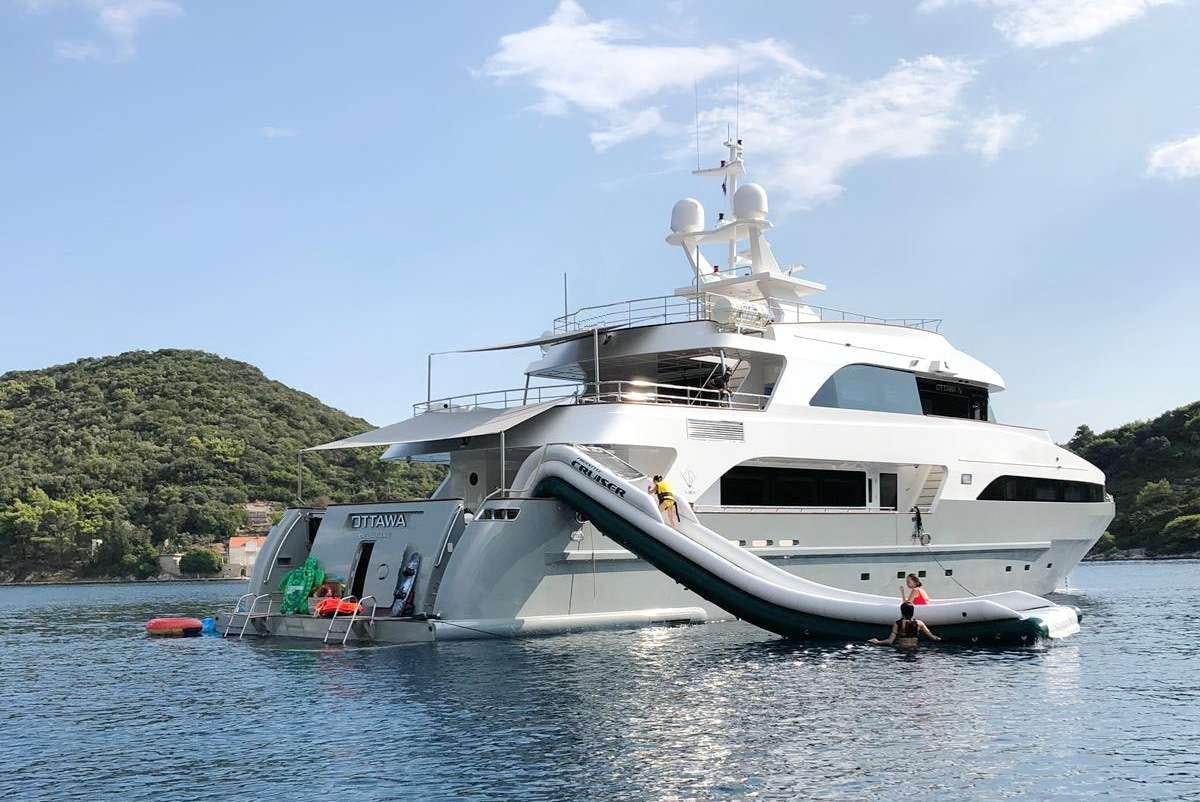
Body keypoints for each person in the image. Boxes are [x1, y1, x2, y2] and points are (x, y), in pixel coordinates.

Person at [870, 602, 941, 647]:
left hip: (902, 650)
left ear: (902, 612)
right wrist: (941, 639)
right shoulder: (919, 623)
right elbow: (933, 638)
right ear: (912, 612)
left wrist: (877, 642)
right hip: (914, 650)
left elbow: (890, 641)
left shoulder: (898, 623)